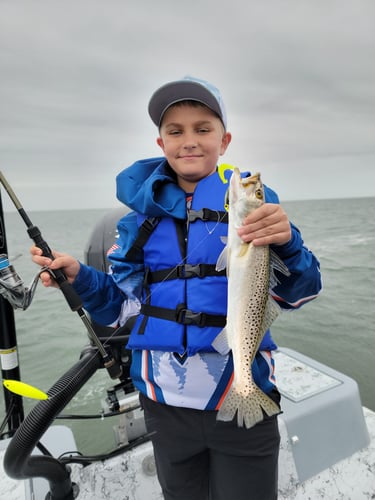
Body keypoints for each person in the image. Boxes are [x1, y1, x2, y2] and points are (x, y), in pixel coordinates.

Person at [31, 76, 322, 500]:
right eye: (176, 131)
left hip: (242, 393)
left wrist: (289, 241)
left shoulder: (257, 212)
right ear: (160, 142)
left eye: (203, 129)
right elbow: (122, 310)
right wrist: (82, 278)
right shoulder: (136, 223)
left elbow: (300, 292)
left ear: (224, 141)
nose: (190, 140)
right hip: (164, 406)